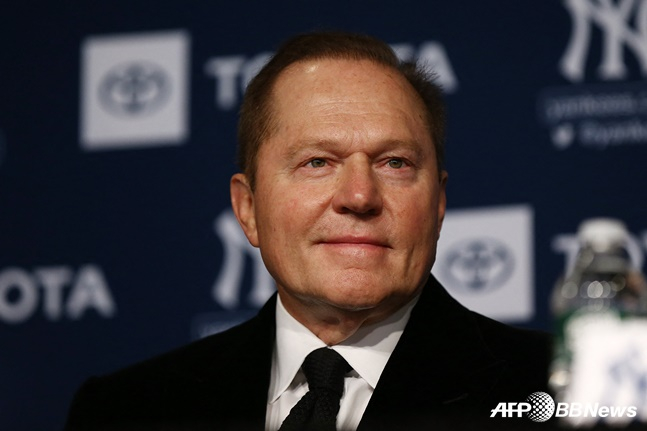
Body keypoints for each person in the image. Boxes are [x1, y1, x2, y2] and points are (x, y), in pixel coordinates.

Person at [64, 31, 550, 431]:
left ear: (438, 204)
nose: (359, 196)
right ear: (248, 208)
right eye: (317, 162)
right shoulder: (123, 411)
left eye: (395, 163)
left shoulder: (557, 393)